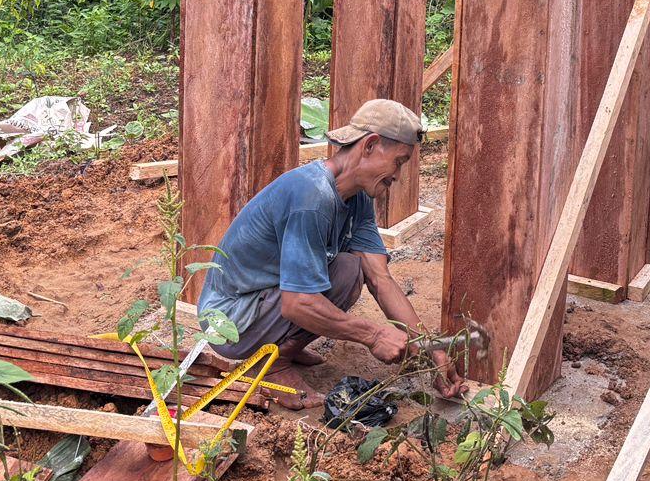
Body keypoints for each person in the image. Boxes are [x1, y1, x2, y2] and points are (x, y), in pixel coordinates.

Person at [196, 98, 460, 407]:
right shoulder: (311, 197)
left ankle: (282, 350)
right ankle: (271, 365)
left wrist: (432, 350)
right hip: (228, 321)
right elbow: (298, 304)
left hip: (262, 302)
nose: (397, 175)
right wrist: (374, 335)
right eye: (399, 161)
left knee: (350, 271)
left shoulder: (356, 197)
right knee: (320, 290)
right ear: (371, 145)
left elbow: (379, 278)